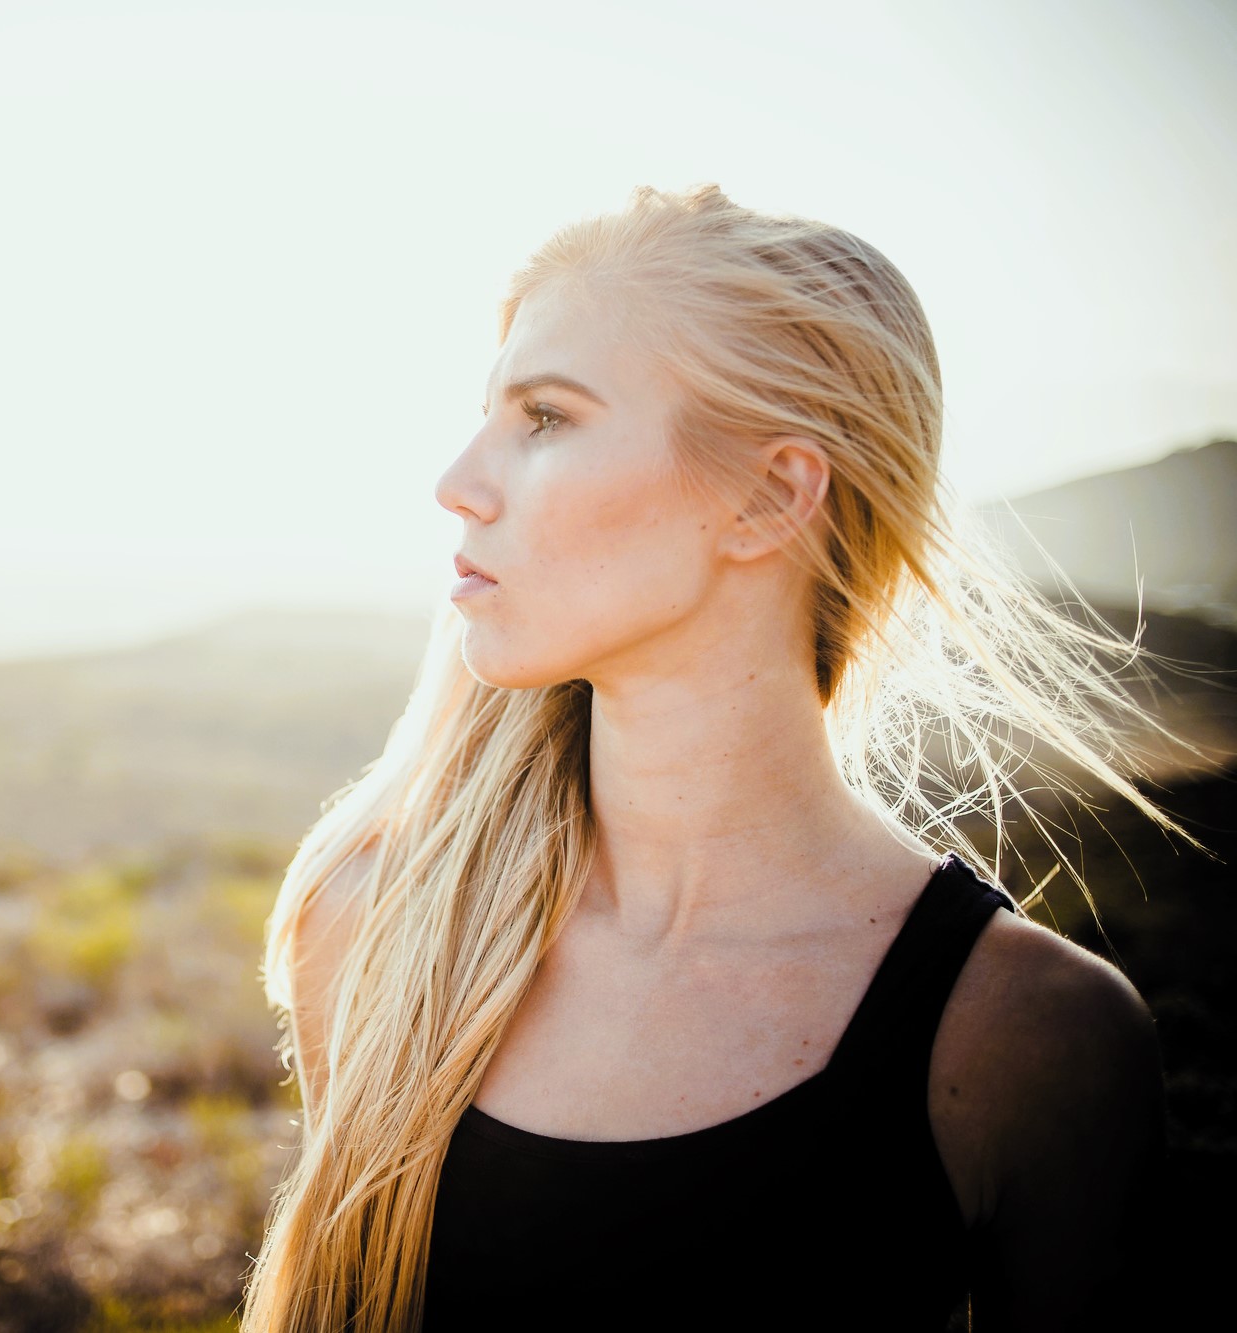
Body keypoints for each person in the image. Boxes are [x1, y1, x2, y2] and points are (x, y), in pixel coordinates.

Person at [240, 184, 1199, 1331]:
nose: (457, 481)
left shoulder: (1027, 1041)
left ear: (766, 494)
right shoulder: (372, 935)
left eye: (544, 417)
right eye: (489, 412)